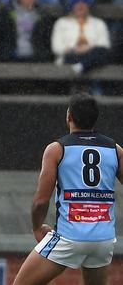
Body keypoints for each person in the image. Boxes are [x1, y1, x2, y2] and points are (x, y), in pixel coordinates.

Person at [13, 93, 123, 285]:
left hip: (69, 237)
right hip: (103, 240)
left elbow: (41, 201)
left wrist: (37, 227)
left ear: (69, 116)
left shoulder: (57, 149)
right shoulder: (115, 150)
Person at [51, 0, 110, 75]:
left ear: (88, 5)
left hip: (92, 55)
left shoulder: (98, 23)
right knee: (93, 59)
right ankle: (83, 66)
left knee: (101, 52)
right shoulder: (61, 22)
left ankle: (81, 66)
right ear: (72, 5)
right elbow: (56, 48)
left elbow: (105, 45)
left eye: (84, 2)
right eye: (77, 2)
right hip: (71, 57)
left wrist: (88, 48)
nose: (80, 6)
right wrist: (74, 49)